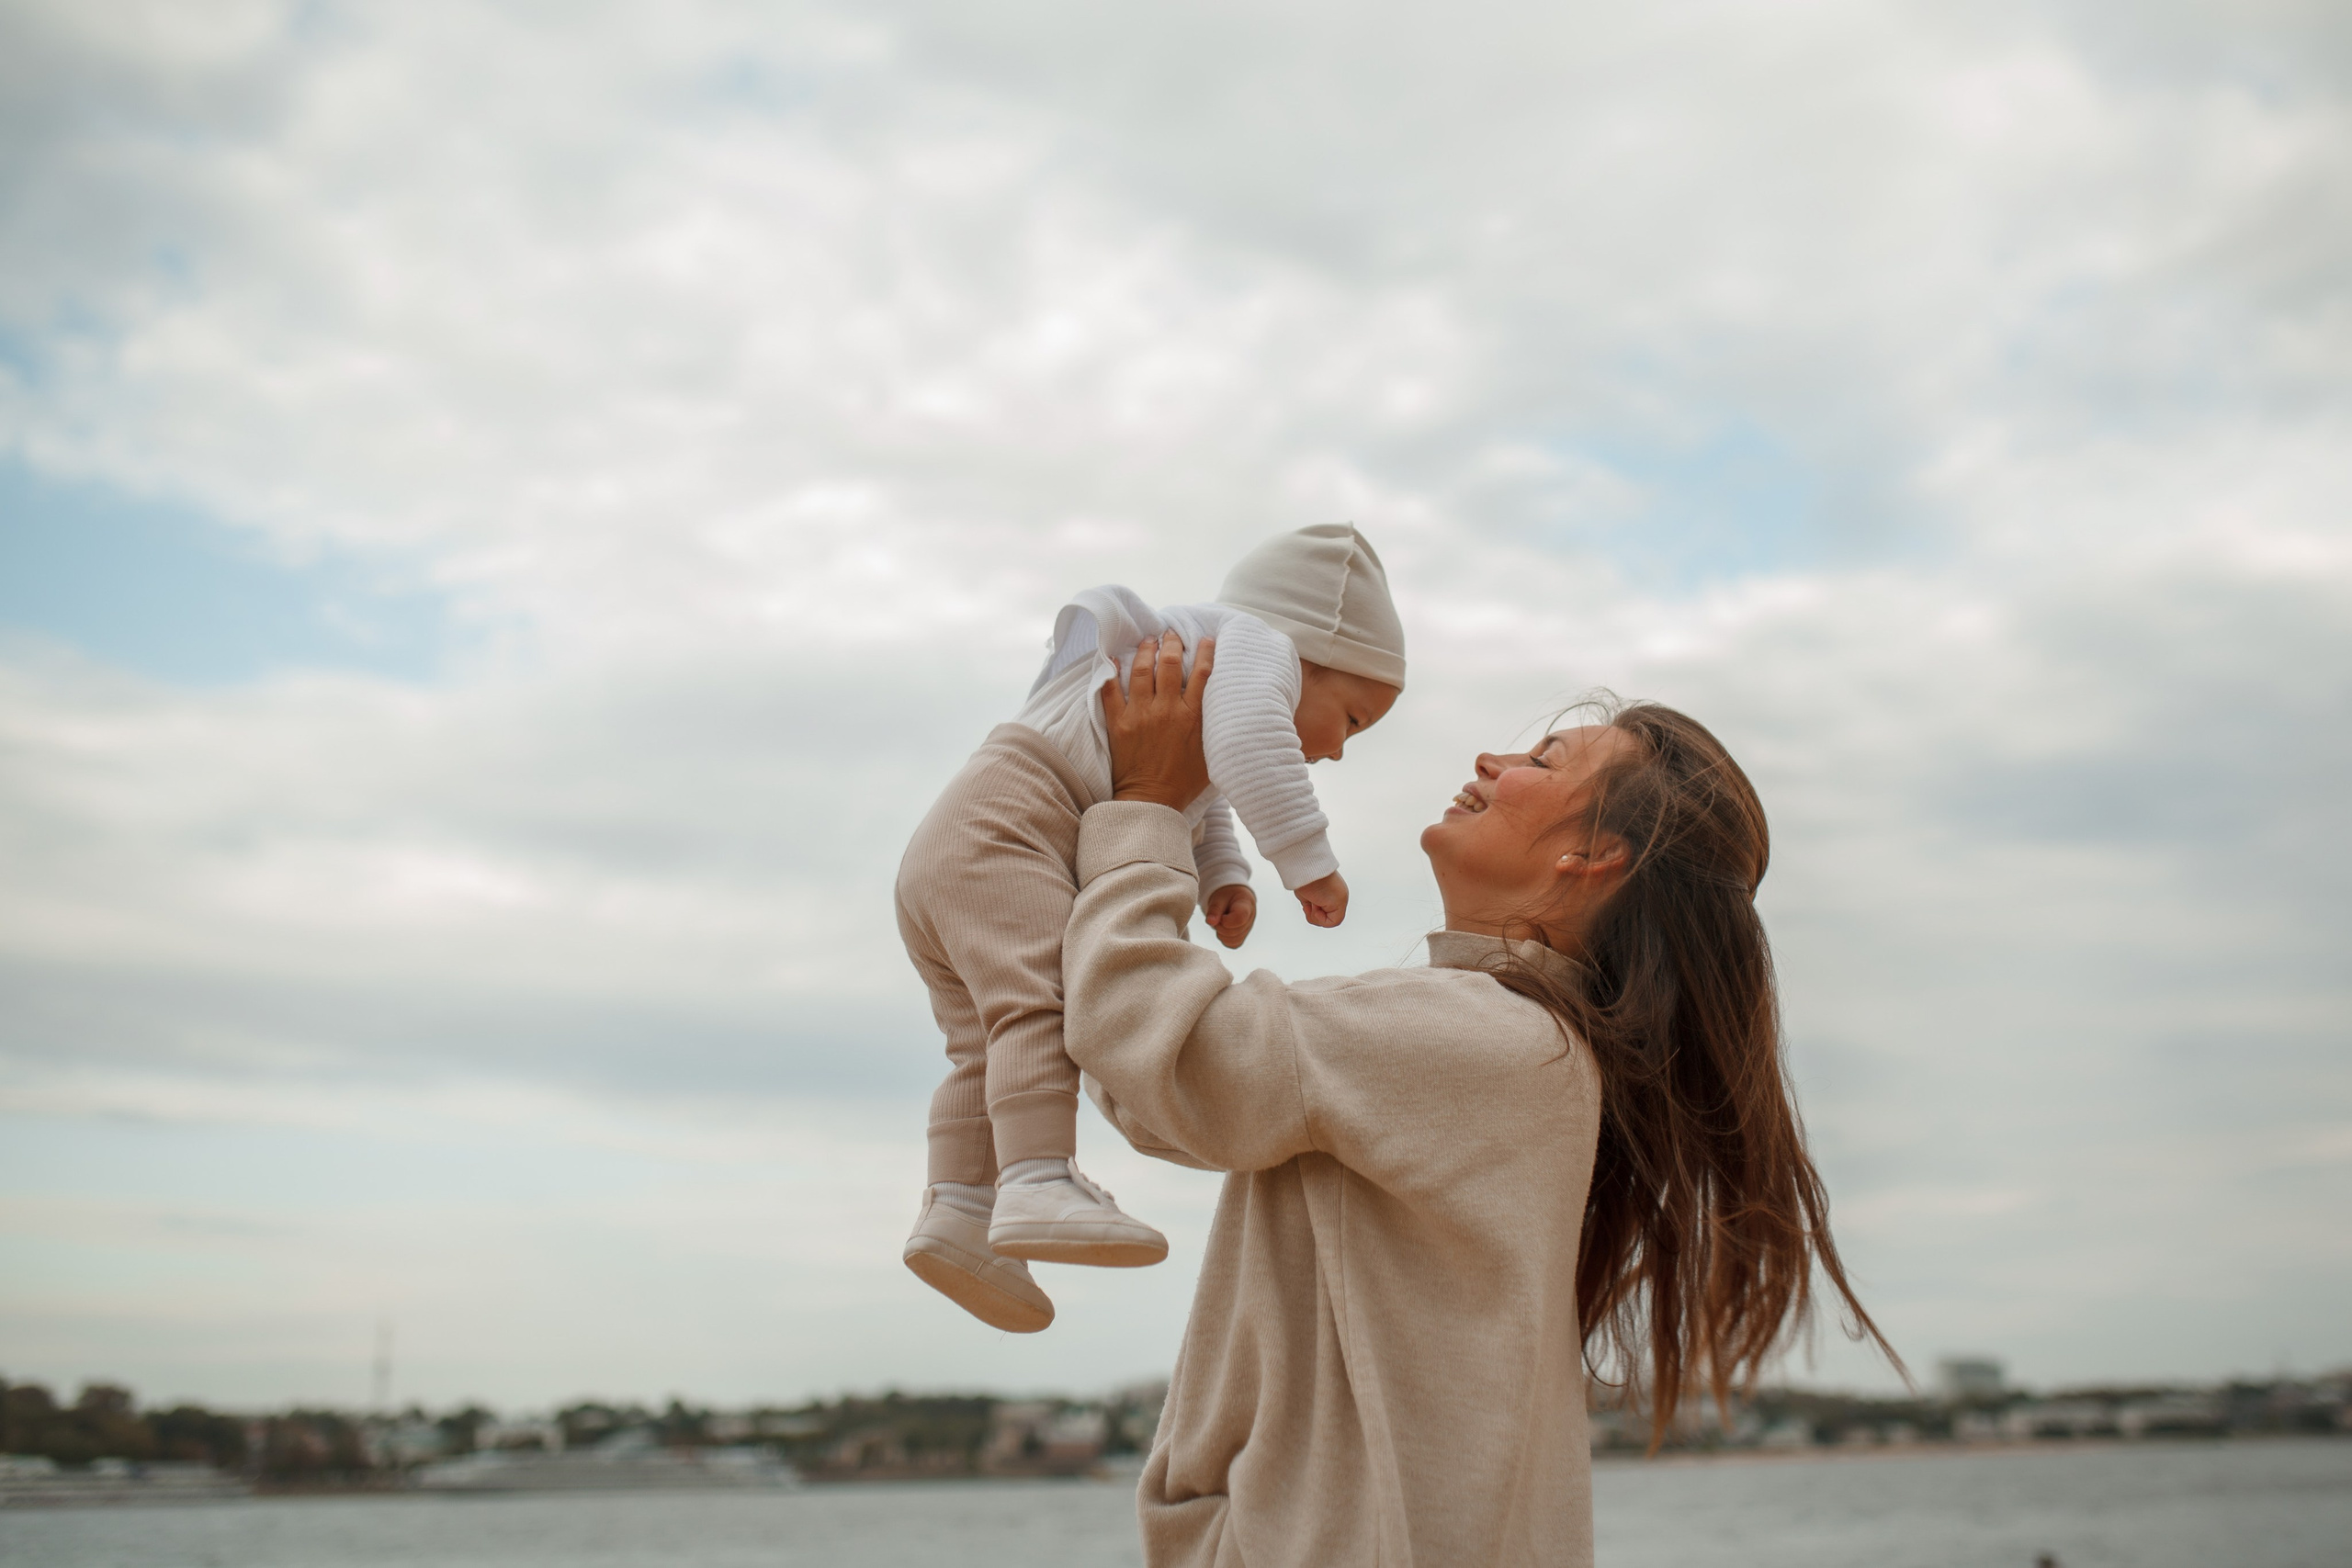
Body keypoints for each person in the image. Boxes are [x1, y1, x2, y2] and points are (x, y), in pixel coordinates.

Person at [1067, 632, 1894, 1568]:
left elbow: (1153, 1058)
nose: (1489, 763)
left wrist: (1144, 805)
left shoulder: (1486, 1038)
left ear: (1593, 856)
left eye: (1541, 762)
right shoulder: (1527, 1047)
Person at [898, 525, 1408, 1335]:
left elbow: (1198, 794)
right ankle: (1037, 1177)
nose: (1339, 750)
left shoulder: (1205, 655)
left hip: (954, 844)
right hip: (1013, 831)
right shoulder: (1260, 645)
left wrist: (1224, 873)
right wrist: (1307, 860)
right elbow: (1246, 748)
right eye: (1351, 717)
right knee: (1040, 1006)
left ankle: (960, 1208)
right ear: (1307, 655)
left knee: (985, 1041)